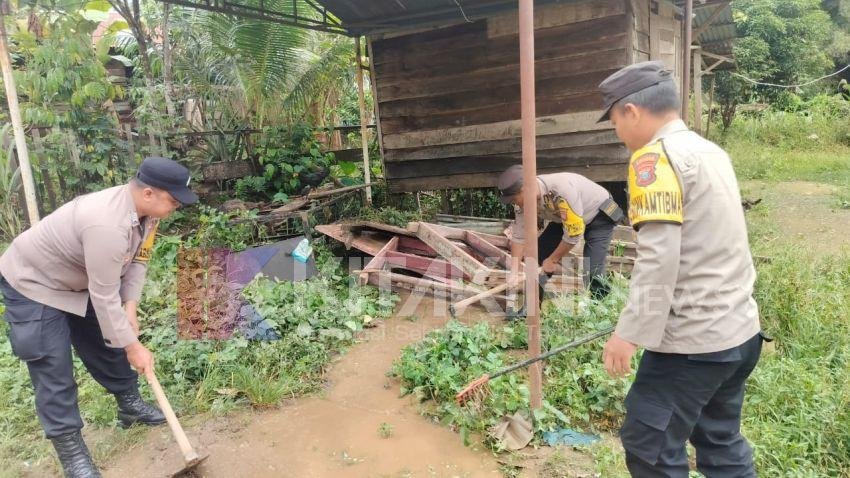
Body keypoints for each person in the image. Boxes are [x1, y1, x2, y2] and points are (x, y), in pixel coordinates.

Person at [597, 61, 766, 477]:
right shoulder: (710, 151)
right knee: (719, 440)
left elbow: (658, 259)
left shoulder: (653, 160)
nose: (617, 133)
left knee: (648, 443)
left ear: (631, 111)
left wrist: (628, 333)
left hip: (694, 345)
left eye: (614, 121)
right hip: (739, 332)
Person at [0, 157, 198, 478]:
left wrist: (130, 307)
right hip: (33, 283)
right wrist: (134, 347)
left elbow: (138, 262)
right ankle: (74, 456)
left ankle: (130, 405)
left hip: (81, 280)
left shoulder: (147, 215)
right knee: (53, 365)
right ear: (149, 193)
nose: (176, 207)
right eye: (173, 200)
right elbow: (105, 296)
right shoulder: (107, 224)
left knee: (107, 339)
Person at [497, 166, 624, 299]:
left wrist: (553, 260)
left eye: (514, 199)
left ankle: (600, 309)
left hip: (598, 214)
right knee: (537, 258)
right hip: (563, 219)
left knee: (593, 270)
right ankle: (531, 310)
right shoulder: (523, 203)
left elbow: (573, 235)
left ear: (524, 189)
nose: (514, 203)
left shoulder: (562, 192)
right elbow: (519, 235)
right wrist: (514, 271)